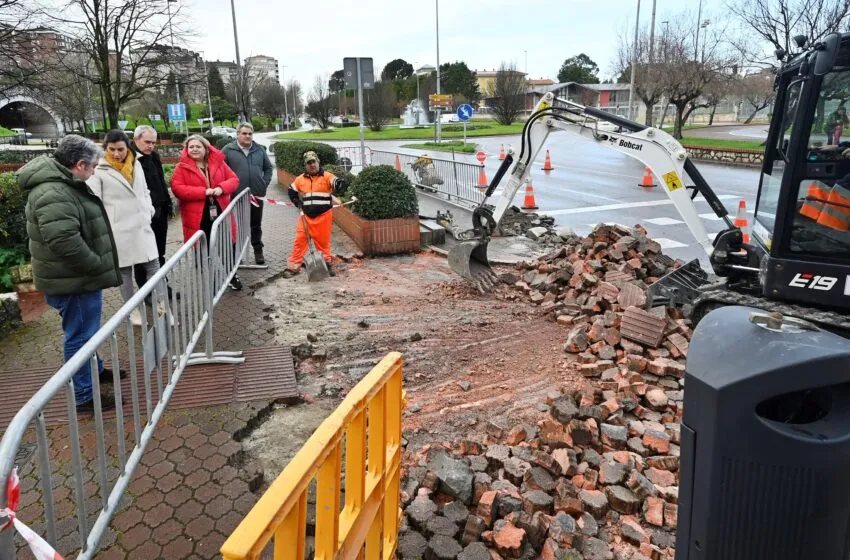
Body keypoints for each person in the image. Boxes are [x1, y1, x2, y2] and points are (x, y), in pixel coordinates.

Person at [18, 135, 123, 412]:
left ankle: (95, 370)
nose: (94, 172)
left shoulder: (61, 185)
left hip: (74, 278)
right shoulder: (54, 192)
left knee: (86, 332)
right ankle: (84, 395)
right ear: (79, 165)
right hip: (74, 282)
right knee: (80, 337)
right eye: (93, 167)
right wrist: (95, 264)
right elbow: (64, 240)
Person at [86, 130, 162, 326]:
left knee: (154, 266)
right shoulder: (98, 170)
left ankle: (160, 303)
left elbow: (144, 190)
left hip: (142, 224)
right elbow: (94, 201)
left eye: (120, 149)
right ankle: (132, 309)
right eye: (111, 149)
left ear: (128, 147)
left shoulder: (136, 163)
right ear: (105, 148)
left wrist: (148, 210)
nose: (116, 154)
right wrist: (106, 225)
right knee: (125, 272)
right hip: (119, 229)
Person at [170, 134, 243, 290]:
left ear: (206, 148)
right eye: (191, 147)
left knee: (227, 244)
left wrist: (221, 188)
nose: (194, 149)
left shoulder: (219, 163)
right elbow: (178, 189)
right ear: (186, 149)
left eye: (198, 146)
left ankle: (232, 275)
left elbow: (234, 179)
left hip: (220, 211)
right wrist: (203, 192)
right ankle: (211, 278)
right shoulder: (181, 168)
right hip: (197, 217)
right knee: (203, 248)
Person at [283, 151, 348, 278]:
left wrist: (340, 184)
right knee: (299, 241)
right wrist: (296, 201)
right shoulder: (300, 179)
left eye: (314, 162)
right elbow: (291, 190)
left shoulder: (327, 176)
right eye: (309, 163)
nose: (312, 165)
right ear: (305, 165)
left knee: (323, 243)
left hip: (323, 216)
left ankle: (326, 264)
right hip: (306, 217)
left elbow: (335, 182)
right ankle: (293, 267)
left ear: (318, 162)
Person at [222, 122, 273, 264]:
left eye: (250, 134)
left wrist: (264, 183)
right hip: (236, 196)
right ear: (237, 134)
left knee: (256, 225)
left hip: (256, 195)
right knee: (238, 226)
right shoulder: (228, 150)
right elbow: (219, 170)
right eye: (244, 133)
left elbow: (268, 168)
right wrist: (227, 187)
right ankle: (238, 255)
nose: (247, 136)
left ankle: (258, 251)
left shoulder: (259, 150)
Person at [130, 125, 172, 288]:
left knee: (159, 251)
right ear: (136, 139)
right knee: (143, 255)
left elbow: (160, 181)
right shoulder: (131, 159)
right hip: (144, 214)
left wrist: (167, 203)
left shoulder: (154, 156)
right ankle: (145, 289)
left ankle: (161, 284)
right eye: (147, 142)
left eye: (153, 142)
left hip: (160, 211)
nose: (151, 146)